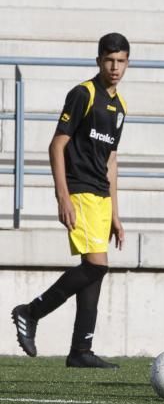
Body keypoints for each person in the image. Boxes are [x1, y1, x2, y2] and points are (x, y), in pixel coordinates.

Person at [11, 33, 129, 368]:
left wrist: (116, 214)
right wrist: (63, 196)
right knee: (96, 265)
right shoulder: (83, 94)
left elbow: (111, 160)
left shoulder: (120, 107)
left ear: (127, 63)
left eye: (120, 61)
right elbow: (57, 144)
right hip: (80, 191)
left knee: (96, 271)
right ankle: (30, 312)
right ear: (98, 61)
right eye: (109, 60)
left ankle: (81, 350)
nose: (114, 67)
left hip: (101, 196)